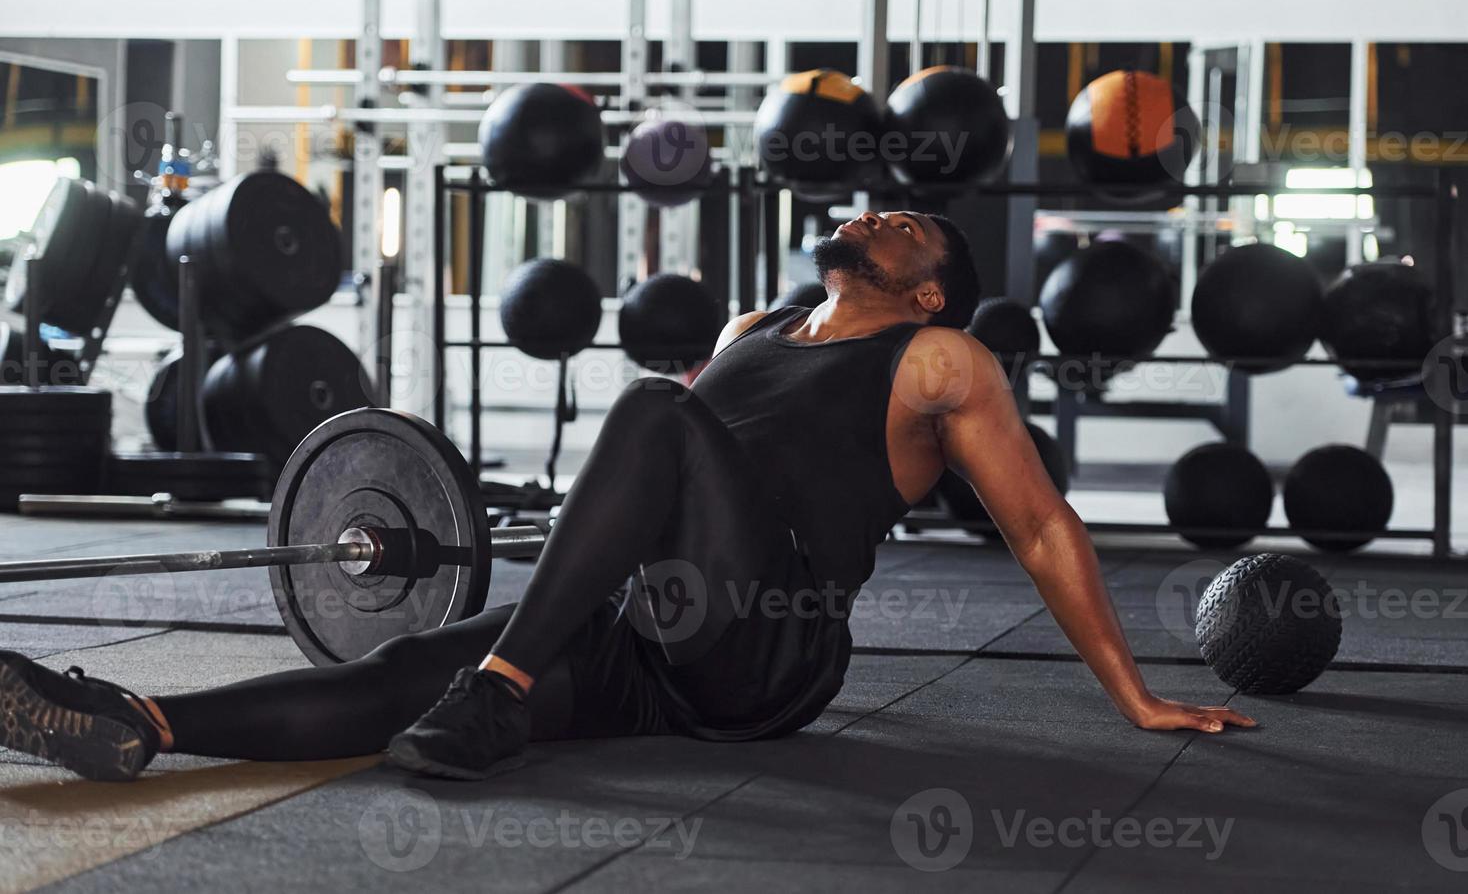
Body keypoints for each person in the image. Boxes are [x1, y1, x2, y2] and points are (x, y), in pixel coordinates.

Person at [0, 210, 1253, 783]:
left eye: (908, 225)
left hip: (766, 642)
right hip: (649, 627)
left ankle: (500, 693)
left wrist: (1133, 695)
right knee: (412, 677)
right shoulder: (757, 321)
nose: (876, 214)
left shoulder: (939, 360)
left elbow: (1037, 523)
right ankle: (136, 721)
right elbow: (653, 488)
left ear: (929, 289)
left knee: (655, 405)